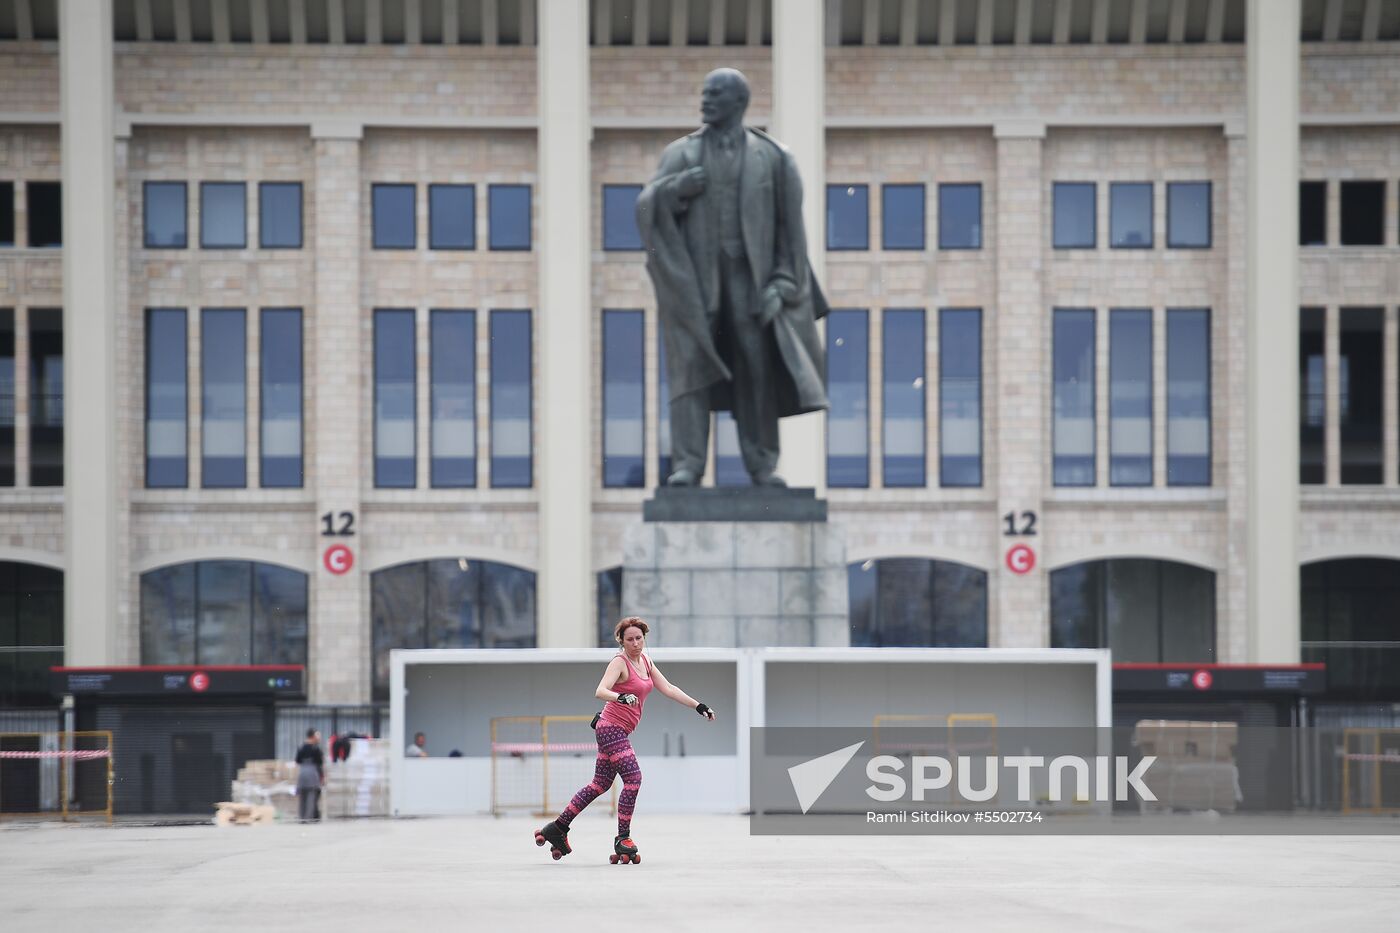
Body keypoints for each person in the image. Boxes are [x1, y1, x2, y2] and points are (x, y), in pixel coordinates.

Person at [637, 67, 828, 488]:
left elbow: (791, 234)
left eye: (715, 94)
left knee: (756, 369)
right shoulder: (681, 154)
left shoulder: (774, 158)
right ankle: (688, 464)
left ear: (739, 102)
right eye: (704, 94)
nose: (705, 101)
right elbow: (645, 207)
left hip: (751, 283)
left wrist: (783, 283)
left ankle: (762, 464)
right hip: (696, 284)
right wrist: (675, 190)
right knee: (689, 369)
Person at [534, 617, 716, 864]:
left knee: (600, 784)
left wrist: (698, 706)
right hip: (611, 729)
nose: (635, 643)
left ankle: (558, 827)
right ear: (621, 641)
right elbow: (600, 690)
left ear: (644, 638)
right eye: (630, 639)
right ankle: (623, 837)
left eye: (639, 638)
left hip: (615, 730)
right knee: (633, 778)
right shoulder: (619, 662)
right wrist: (620, 697)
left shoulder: (646, 661)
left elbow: (669, 688)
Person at [294, 729, 324, 822]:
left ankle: (302, 817)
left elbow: (297, 760)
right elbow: (320, 762)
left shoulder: (301, 747)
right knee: (311, 797)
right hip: (312, 773)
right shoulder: (316, 749)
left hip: (302, 773)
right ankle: (308, 817)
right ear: (313, 736)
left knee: (302, 797)